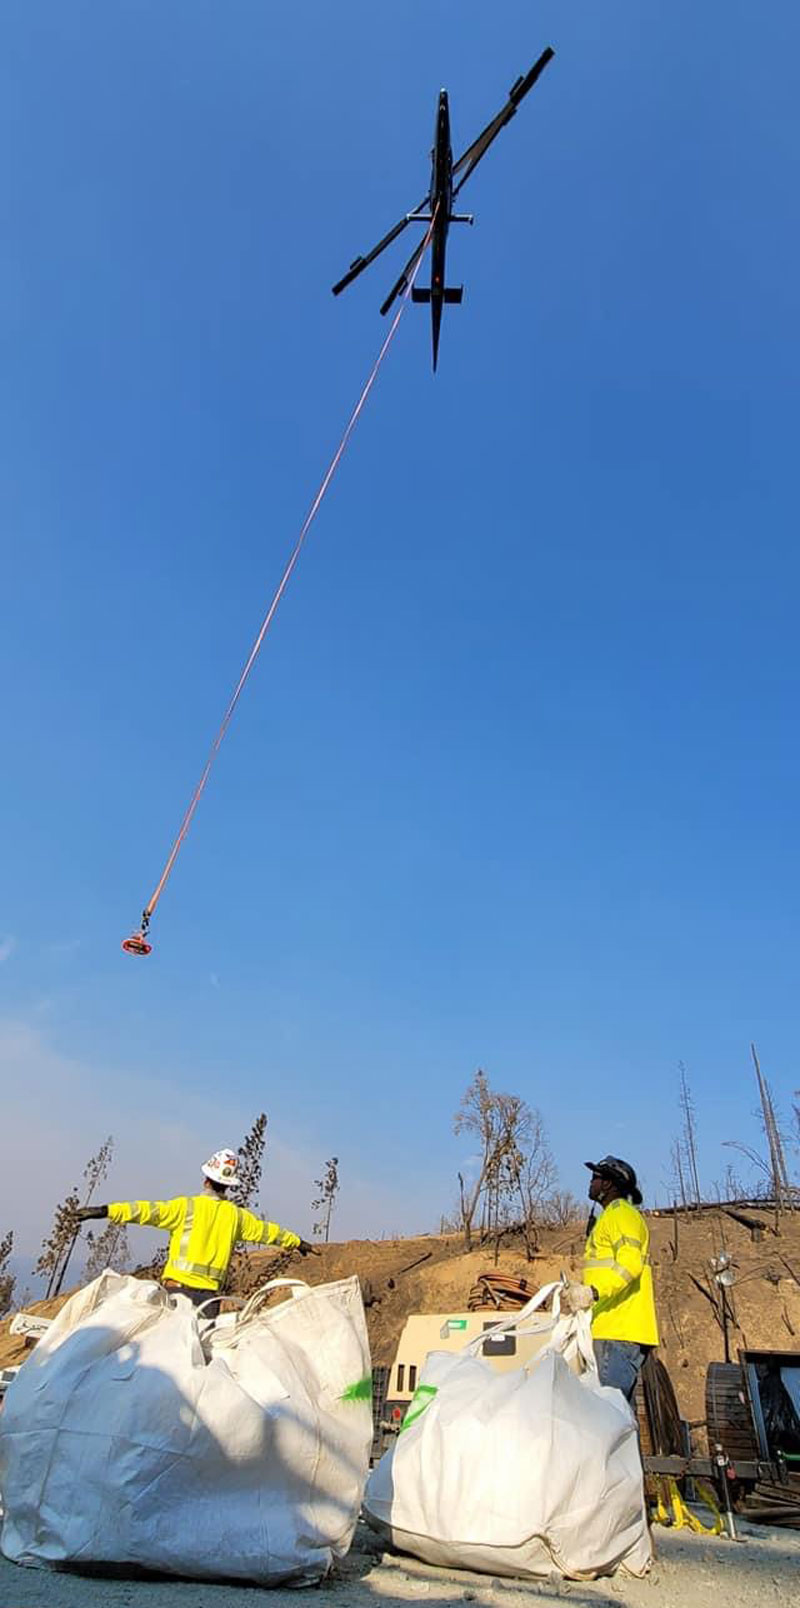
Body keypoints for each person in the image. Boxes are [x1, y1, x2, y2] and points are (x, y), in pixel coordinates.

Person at [76, 1147, 314, 1314]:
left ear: (206, 1178)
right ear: (228, 1186)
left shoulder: (186, 1207)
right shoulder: (237, 1217)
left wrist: (106, 1210)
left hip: (175, 1295)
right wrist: (297, 1242)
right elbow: (269, 1232)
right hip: (209, 1301)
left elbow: (145, 1211)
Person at [561, 1155, 659, 1403]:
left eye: (595, 1177)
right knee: (616, 1416)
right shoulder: (610, 1217)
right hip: (611, 1327)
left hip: (619, 1330)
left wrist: (592, 1292)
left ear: (609, 1184)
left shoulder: (621, 1215)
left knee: (610, 1412)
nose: (590, 1183)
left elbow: (631, 1264)